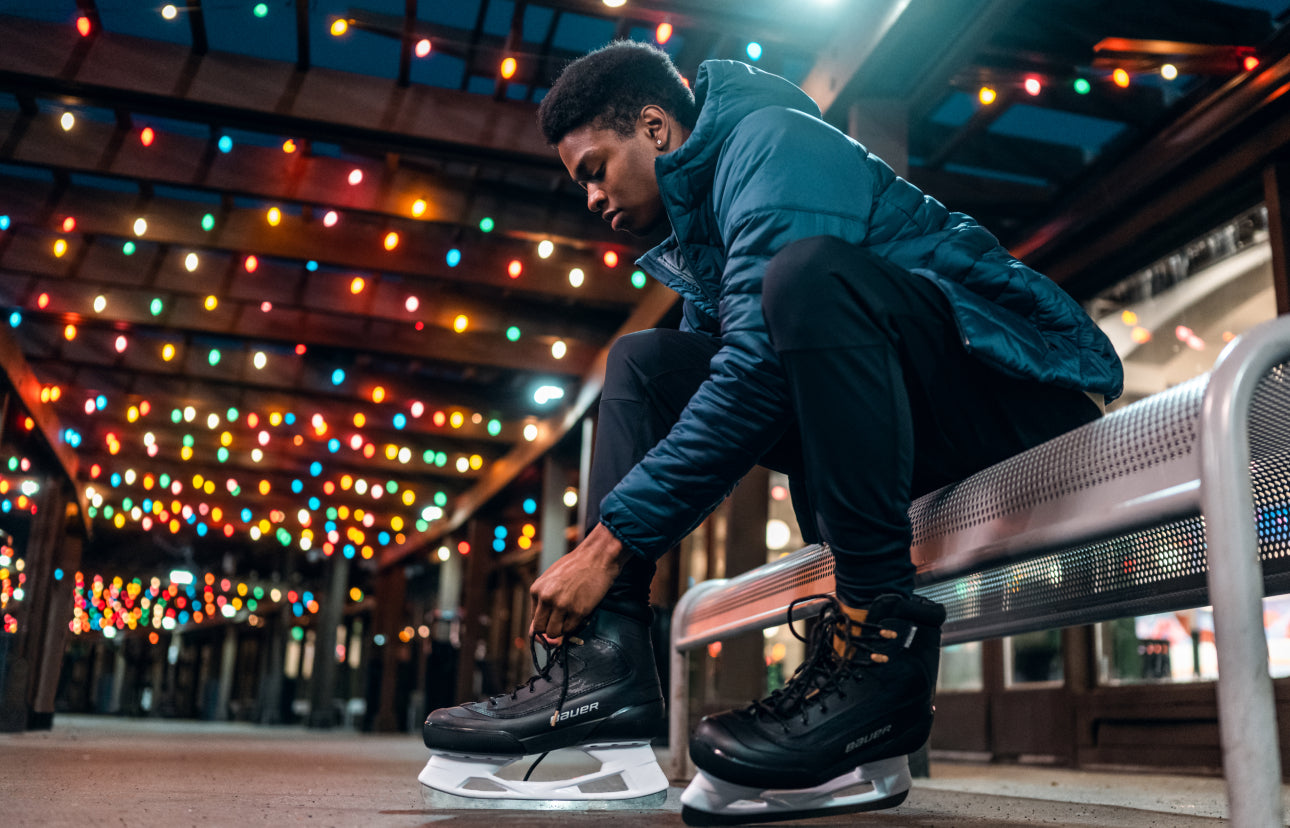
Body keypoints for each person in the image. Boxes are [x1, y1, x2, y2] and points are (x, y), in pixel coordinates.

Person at [420, 41, 1123, 823]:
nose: (589, 197)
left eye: (593, 170)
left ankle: (875, 652)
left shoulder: (773, 143)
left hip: (1022, 402)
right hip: (916, 419)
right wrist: (613, 569)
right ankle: (606, 669)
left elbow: (755, 375)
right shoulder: (706, 233)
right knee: (648, 363)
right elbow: (715, 404)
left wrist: (608, 541)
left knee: (805, 275)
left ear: (654, 127)